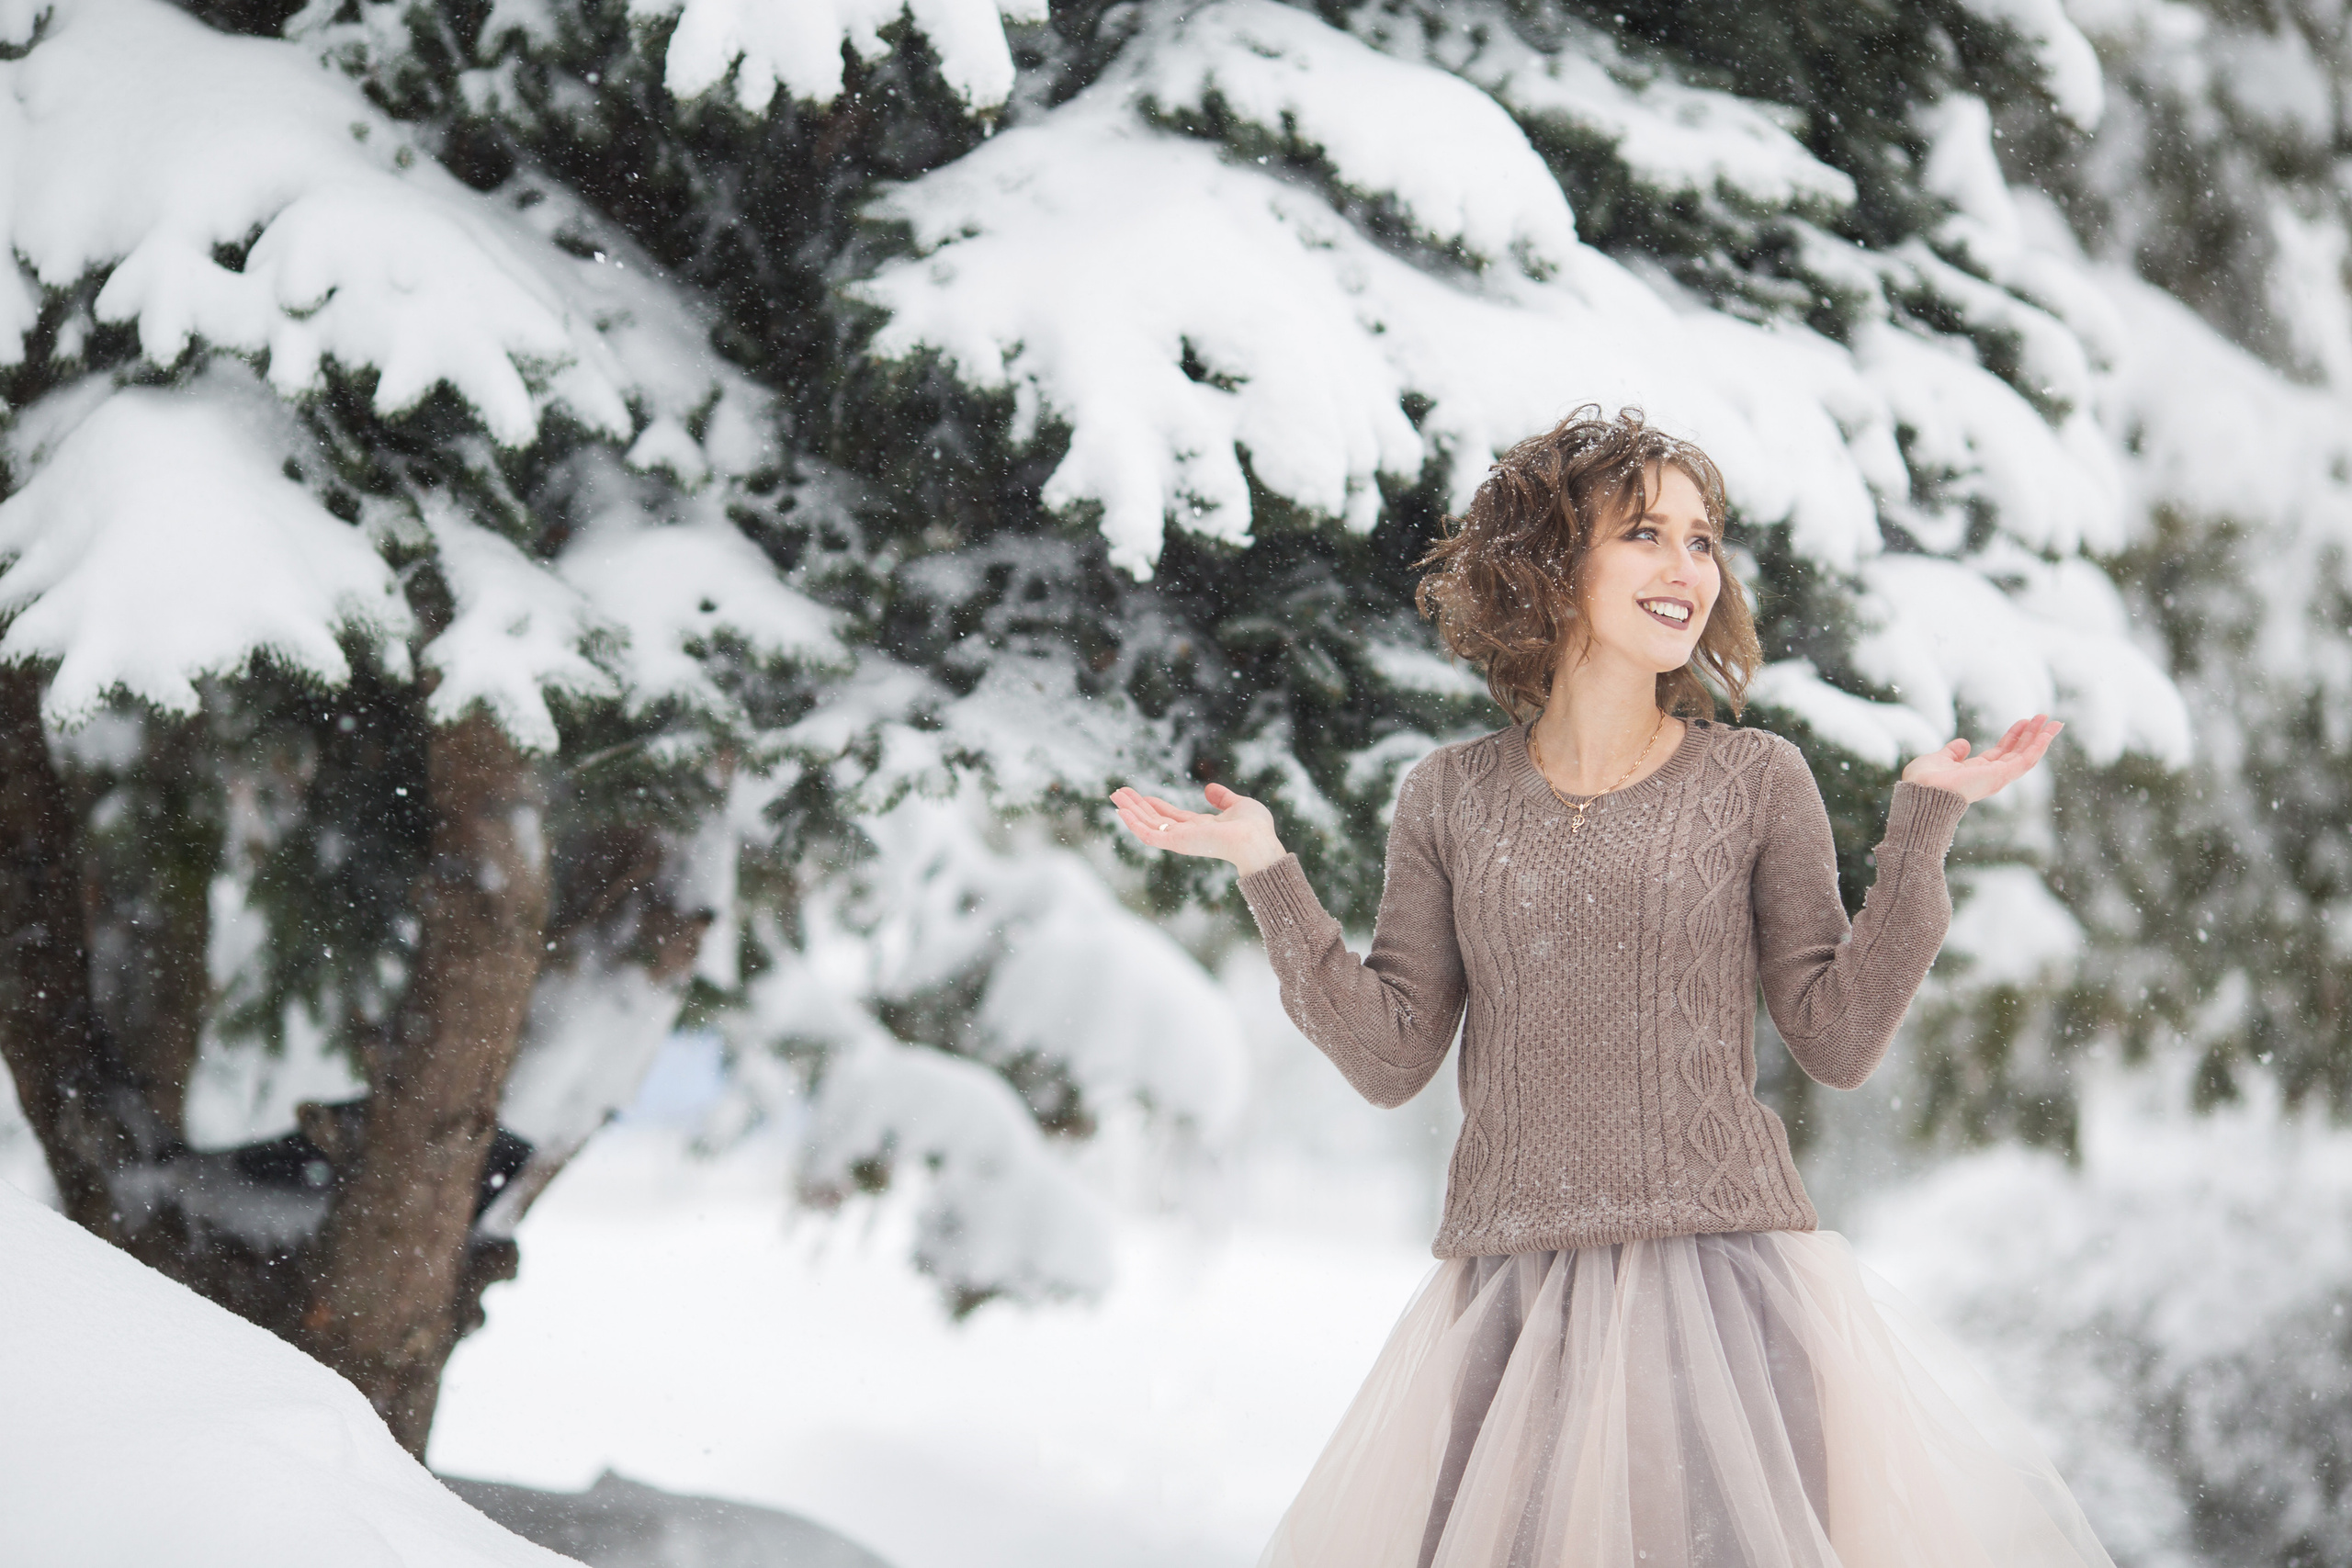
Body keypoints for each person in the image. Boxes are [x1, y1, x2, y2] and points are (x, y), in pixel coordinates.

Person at [1109, 407, 2113, 1568]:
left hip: (1720, 1298)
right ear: (1549, 562)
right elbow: (1391, 1056)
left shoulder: (1755, 778)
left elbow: (1836, 1039)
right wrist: (1267, 872)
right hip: (1512, 1305)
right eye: (1645, 533)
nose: (1687, 566)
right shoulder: (1448, 795)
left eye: (1702, 539)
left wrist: (1923, 824)